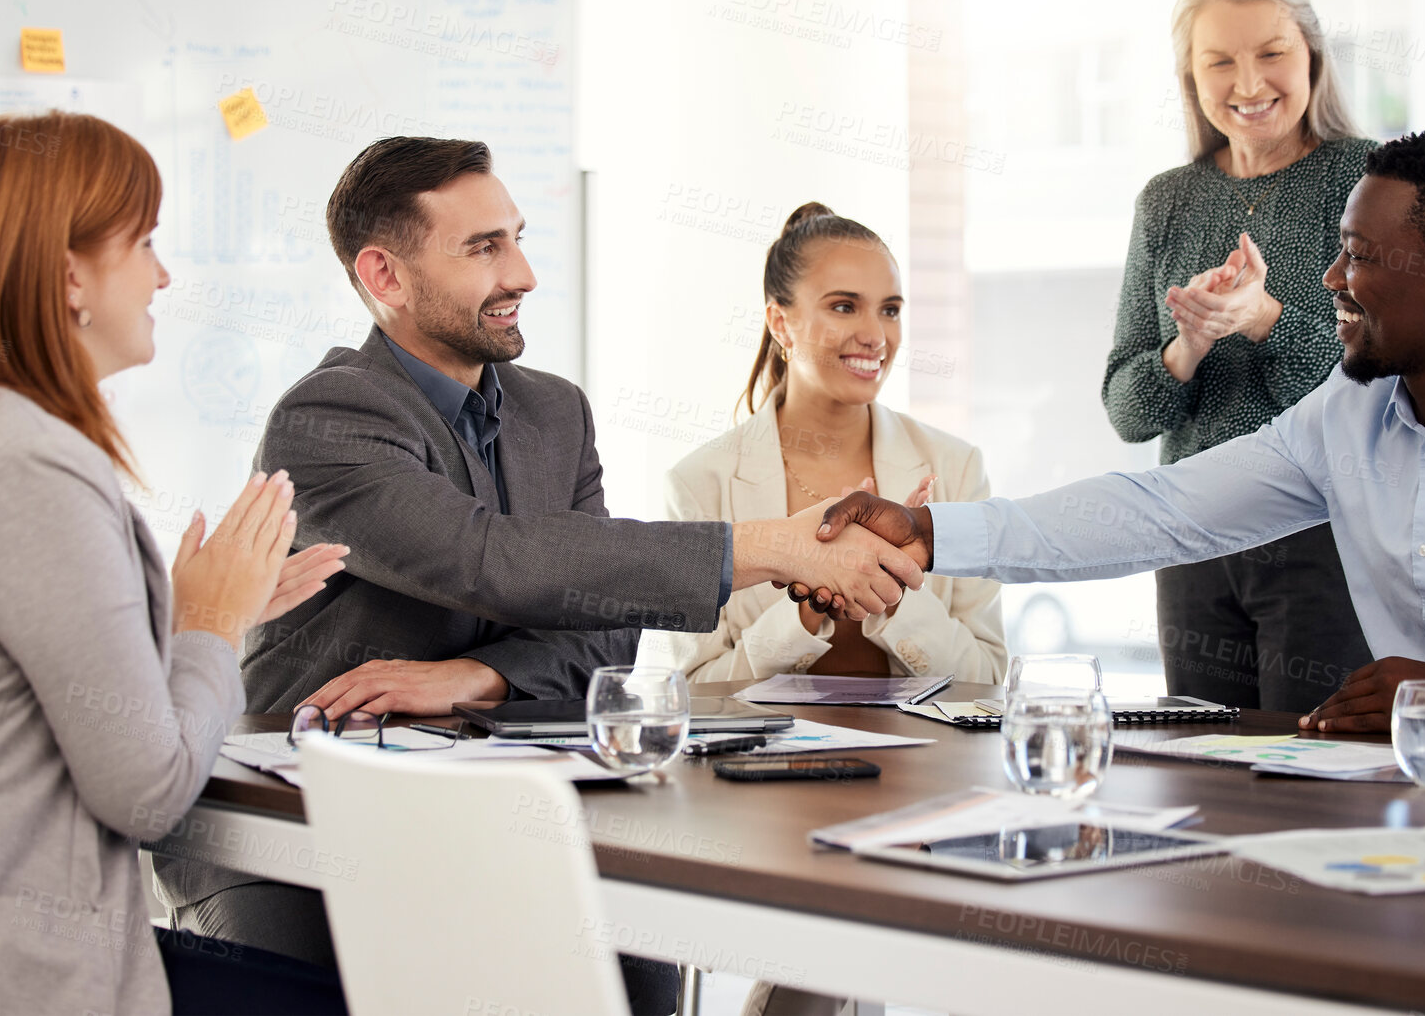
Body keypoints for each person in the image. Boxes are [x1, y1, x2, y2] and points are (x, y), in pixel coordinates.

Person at [152, 138, 927, 1013]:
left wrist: (480, 676)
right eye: (484, 247)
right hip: (304, 832)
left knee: (633, 968)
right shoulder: (330, 415)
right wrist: (775, 545)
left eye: (517, 237)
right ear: (386, 275)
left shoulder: (553, 411)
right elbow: (491, 559)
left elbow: (599, 622)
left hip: (490, 808)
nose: (521, 271)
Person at [805, 131, 1425, 740]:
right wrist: (925, 530)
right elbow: (1159, 509)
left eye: (1355, 256)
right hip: (1413, 799)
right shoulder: (1345, 417)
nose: (1329, 280)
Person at [0, 112, 351, 1016]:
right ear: (68, 274)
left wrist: (203, 616)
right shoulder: (28, 466)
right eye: (145, 243)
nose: (163, 275)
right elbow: (149, 792)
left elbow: (16, 685)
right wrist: (208, 627)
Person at [1104, 0, 1376, 712]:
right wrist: (1186, 346)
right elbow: (1126, 411)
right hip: (1188, 538)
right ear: (1188, 75)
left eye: (1271, 53)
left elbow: (1380, 390)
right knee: (1202, 776)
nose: (1248, 84)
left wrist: (1264, 319)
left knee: (1312, 780)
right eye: (1218, 61)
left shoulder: (1365, 178)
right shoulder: (1166, 202)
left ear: (1310, 52)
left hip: (1321, 539)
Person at [639, 202, 1003, 684]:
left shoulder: (955, 467)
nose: (876, 336)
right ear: (780, 322)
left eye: (890, 310)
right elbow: (691, 690)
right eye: (844, 306)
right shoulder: (699, 484)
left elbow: (990, 680)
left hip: (924, 760)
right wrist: (806, 609)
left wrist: (893, 591)